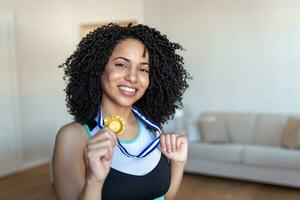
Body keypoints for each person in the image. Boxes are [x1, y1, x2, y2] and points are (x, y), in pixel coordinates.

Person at [52, 23, 191, 200]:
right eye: (121, 64)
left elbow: (163, 196)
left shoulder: (153, 128)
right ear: (98, 68)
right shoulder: (73, 137)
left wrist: (178, 162)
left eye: (142, 69)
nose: (132, 77)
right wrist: (94, 181)